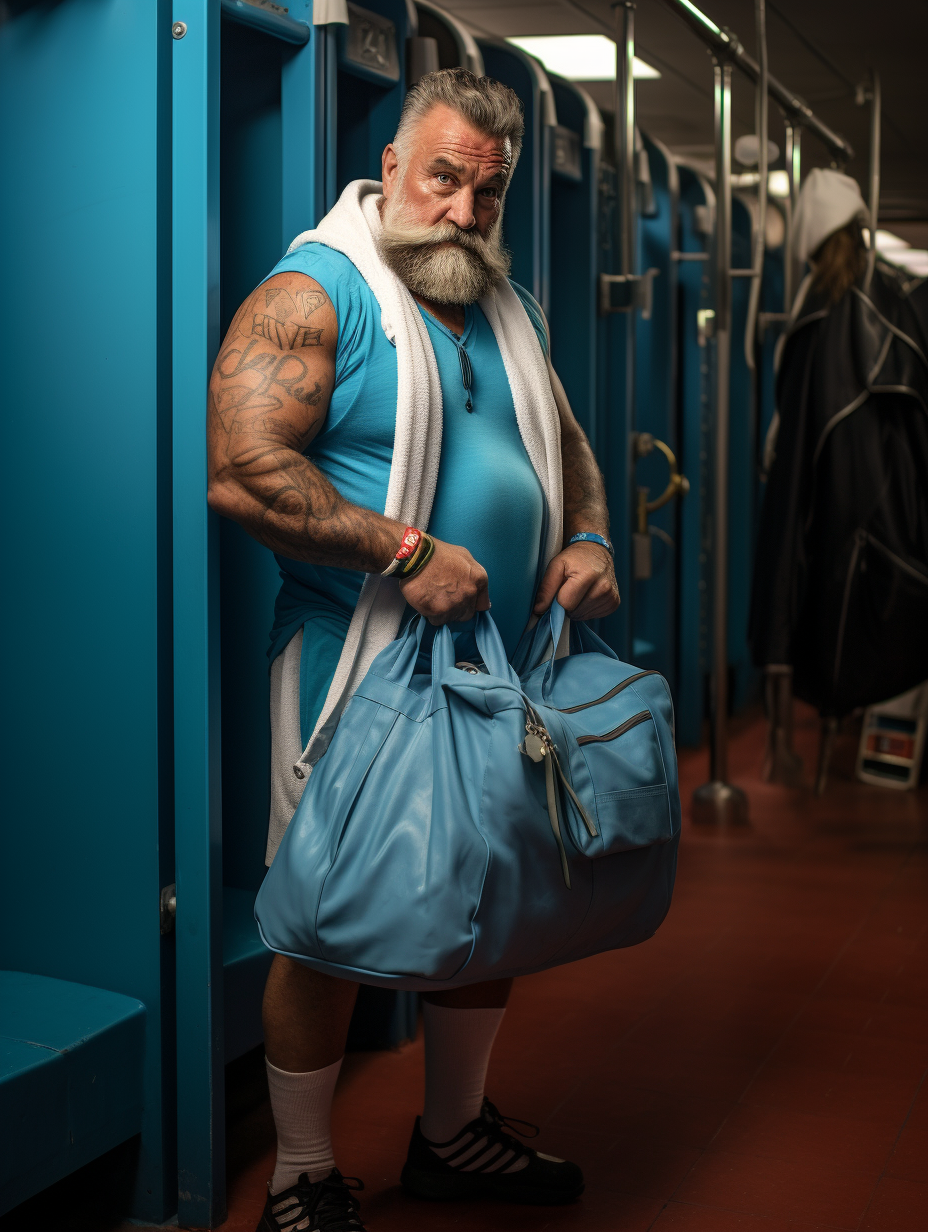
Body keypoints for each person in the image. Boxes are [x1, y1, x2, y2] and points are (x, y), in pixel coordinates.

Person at [207, 69, 620, 1232]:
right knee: (328, 919)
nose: (462, 210)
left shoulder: (508, 306)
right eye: (442, 178)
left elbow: (568, 443)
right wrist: (402, 549)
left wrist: (584, 528)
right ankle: (300, 1170)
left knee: (500, 890)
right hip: (360, 659)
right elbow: (239, 467)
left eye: (486, 192)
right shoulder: (313, 291)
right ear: (390, 169)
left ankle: (450, 1133)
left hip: (502, 662)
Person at [750, 168, 928, 790]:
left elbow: (801, 448)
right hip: (893, 512)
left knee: (804, 607)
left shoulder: (822, 313)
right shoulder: (894, 300)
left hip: (833, 512)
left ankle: (790, 743)